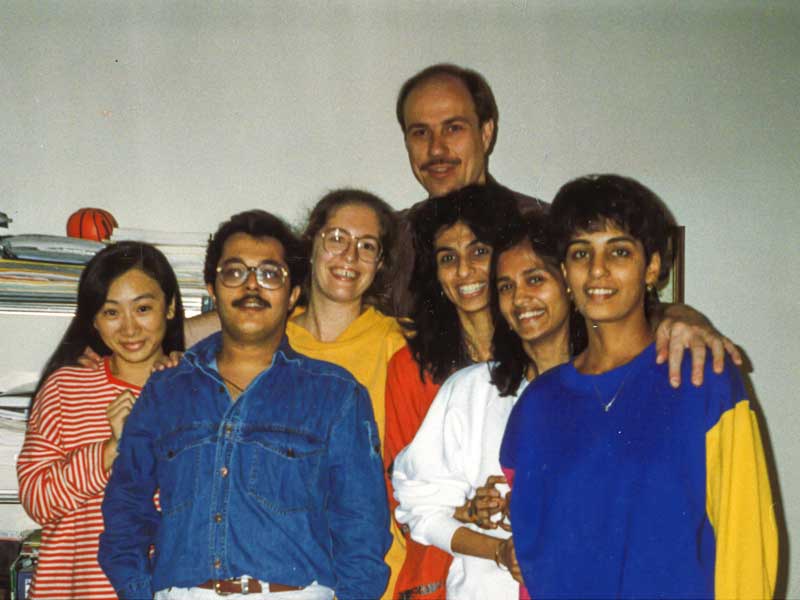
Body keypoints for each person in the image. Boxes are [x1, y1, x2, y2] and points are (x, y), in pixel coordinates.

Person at [500, 174, 778, 598]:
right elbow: (535, 553)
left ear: (651, 268)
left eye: (619, 251)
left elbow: (747, 542)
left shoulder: (705, 379)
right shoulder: (537, 404)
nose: (597, 270)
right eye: (580, 253)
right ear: (565, 272)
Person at [391, 63, 740, 390]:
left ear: (486, 132)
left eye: (453, 128)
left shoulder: (546, 224)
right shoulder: (388, 243)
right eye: (420, 132)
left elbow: (618, 300)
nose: (436, 148)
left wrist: (683, 317)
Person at [98, 210, 390, 600]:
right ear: (212, 288)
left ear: (294, 296)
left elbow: (363, 528)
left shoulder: (336, 395)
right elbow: (125, 508)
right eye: (235, 272)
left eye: (270, 274)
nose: (252, 286)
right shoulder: (165, 391)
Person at [392, 214, 570, 599]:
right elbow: (418, 507)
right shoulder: (473, 390)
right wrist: (498, 549)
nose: (520, 298)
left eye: (535, 279)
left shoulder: (613, 393)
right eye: (506, 286)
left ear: (570, 283)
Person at [17, 242, 185, 600]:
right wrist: (110, 451)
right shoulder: (67, 387)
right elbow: (37, 501)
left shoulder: (194, 389)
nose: (129, 328)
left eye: (143, 308)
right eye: (111, 313)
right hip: (77, 590)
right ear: (92, 319)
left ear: (170, 306)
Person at [384, 184, 521, 600]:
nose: (464, 271)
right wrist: (469, 510)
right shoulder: (410, 368)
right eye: (448, 258)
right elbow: (403, 497)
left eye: (479, 252)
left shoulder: (543, 354)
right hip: (436, 574)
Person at [286, 189, 407, 600]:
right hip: (287, 573)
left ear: (380, 263)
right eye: (337, 237)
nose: (350, 256)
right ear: (312, 242)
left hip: (376, 575)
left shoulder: (398, 346)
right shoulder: (270, 342)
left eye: (367, 246)